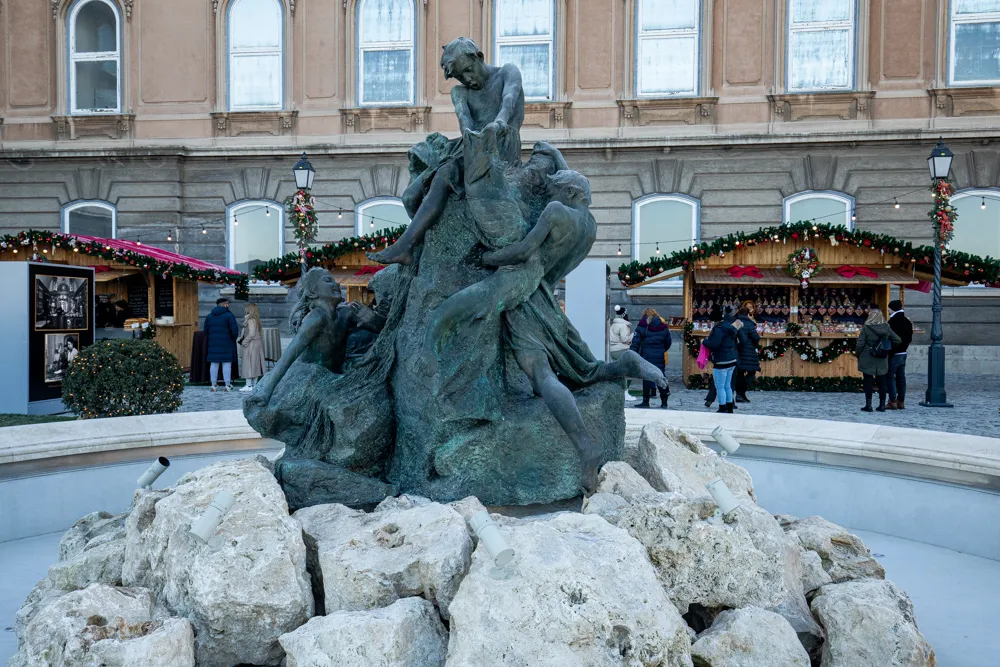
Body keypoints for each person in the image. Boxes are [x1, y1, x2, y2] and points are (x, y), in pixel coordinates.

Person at [370, 37, 525, 266]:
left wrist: (499, 122)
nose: (467, 79)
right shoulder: (460, 93)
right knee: (410, 197)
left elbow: (509, 100)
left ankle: (405, 246)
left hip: (500, 149)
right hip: (471, 148)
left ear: (479, 57)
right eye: (460, 76)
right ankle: (422, 252)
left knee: (445, 174)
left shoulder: (507, 72)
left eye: (468, 70)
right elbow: (464, 119)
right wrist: (470, 135)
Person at [856, 305, 901, 412]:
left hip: (868, 356)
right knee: (882, 382)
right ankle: (882, 405)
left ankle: (868, 405)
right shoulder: (886, 327)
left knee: (868, 381)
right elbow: (897, 340)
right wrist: (887, 349)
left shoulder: (866, 327)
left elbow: (860, 343)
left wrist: (858, 354)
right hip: (881, 357)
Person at [629, 307, 671, 409]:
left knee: (647, 378)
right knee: (660, 376)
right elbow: (668, 342)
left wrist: (632, 354)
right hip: (659, 355)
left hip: (646, 356)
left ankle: (645, 401)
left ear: (644, 315)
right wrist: (662, 349)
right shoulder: (663, 326)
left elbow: (636, 342)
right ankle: (664, 402)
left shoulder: (642, 325)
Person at [703, 307, 742, 413]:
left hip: (721, 360)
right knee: (728, 385)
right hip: (732, 359)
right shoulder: (729, 327)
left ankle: (722, 407)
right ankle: (730, 407)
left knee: (720, 386)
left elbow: (715, 344)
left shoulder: (718, 329)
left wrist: (704, 341)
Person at [203, 297, 240, 392]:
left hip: (213, 343)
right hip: (227, 343)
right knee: (226, 364)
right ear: (224, 304)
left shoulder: (209, 316)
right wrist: (232, 339)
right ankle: (227, 385)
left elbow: (206, 331)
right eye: (227, 303)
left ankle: (213, 385)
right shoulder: (229, 316)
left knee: (214, 364)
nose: (228, 305)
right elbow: (234, 331)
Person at [885, 299, 913, 410]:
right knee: (901, 377)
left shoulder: (892, 322)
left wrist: (890, 351)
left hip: (895, 354)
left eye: (889, 308)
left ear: (893, 309)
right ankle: (901, 401)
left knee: (890, 376)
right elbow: (909, 338)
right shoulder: (907, 321)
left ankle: (892, 401)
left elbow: (890, 338)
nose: (888, 310)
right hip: (903, 352)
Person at [609, 305, 636, 402]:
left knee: (617, 373)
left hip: (613, 350)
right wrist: (632, 335)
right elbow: (625, 339)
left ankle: (618, 392)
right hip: (621, 350)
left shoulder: (613, 325)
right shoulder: (623, 326)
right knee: (625, 372)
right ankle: (625, 393)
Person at [735, 306, 760, 402]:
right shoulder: (749, 324)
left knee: (740, 372)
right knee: (751, 372)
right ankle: (741, 392)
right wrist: (755, 344)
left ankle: (739, 394)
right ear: (747, 314)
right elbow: (755, 337)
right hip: (749, 351)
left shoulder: (735, 322)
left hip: (738, 351)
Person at [239, 303, 266, 392]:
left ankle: (249, 385)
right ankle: (254, 385)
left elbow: (251, 333)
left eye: (246, 308)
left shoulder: (250, 320)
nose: (245, 309)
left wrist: (244, 342)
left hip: (251, 344)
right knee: (255, 365)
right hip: (256, 343)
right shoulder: (256, 320)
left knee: (248, 365)